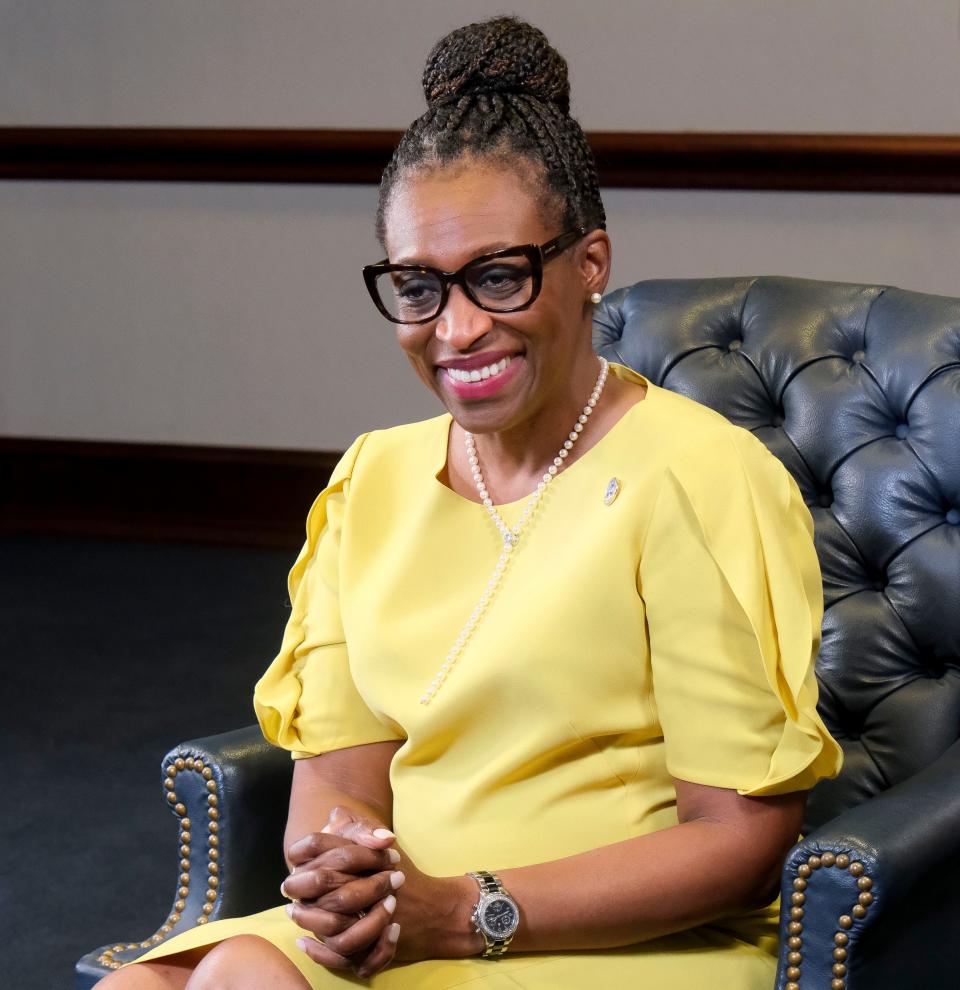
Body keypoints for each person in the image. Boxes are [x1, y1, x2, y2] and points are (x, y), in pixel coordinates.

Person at [100, 15, 841, 990]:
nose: (456, 329)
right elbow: (336, 774)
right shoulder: (373, 480)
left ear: (589, 264)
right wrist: (349, 879)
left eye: (499, 275)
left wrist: (464, 913)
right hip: (412, 918)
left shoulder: (701, 478)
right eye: (417, 286)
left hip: (617, 939)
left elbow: (740, 843)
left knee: (241, 979)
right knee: (147, 985)